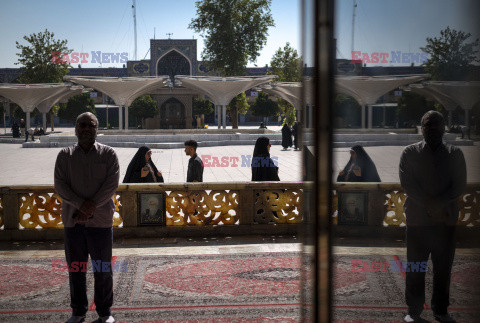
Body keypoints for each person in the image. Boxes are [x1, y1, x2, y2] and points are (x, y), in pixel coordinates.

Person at [399, 111, 466, 323]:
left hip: (445, 221)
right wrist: (430, 204)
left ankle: (441, 310)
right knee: (416, 267)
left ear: (444, 127)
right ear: (421, 128)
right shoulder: (409, 153)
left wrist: (439, 204)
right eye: (427, 125)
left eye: (436, 124)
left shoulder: (455, 153)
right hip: (418, 221)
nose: (432, 128)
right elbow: (407, 184)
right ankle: (414, 310)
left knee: (443, 268)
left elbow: (459, 185)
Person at [54, 112, 119, 323]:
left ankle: (104, 311)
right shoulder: (65, 155)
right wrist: (83, 205)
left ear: (97, 128)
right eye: (82, 125)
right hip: (74, 223)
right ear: (75, 128)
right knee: (76, 269)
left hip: (100, 223)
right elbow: (60, 186)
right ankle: (78, 311)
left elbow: (111, 185)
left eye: (91, 125)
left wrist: (90, 207)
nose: (86, 129)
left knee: (102, 269)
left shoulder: (108, 154)